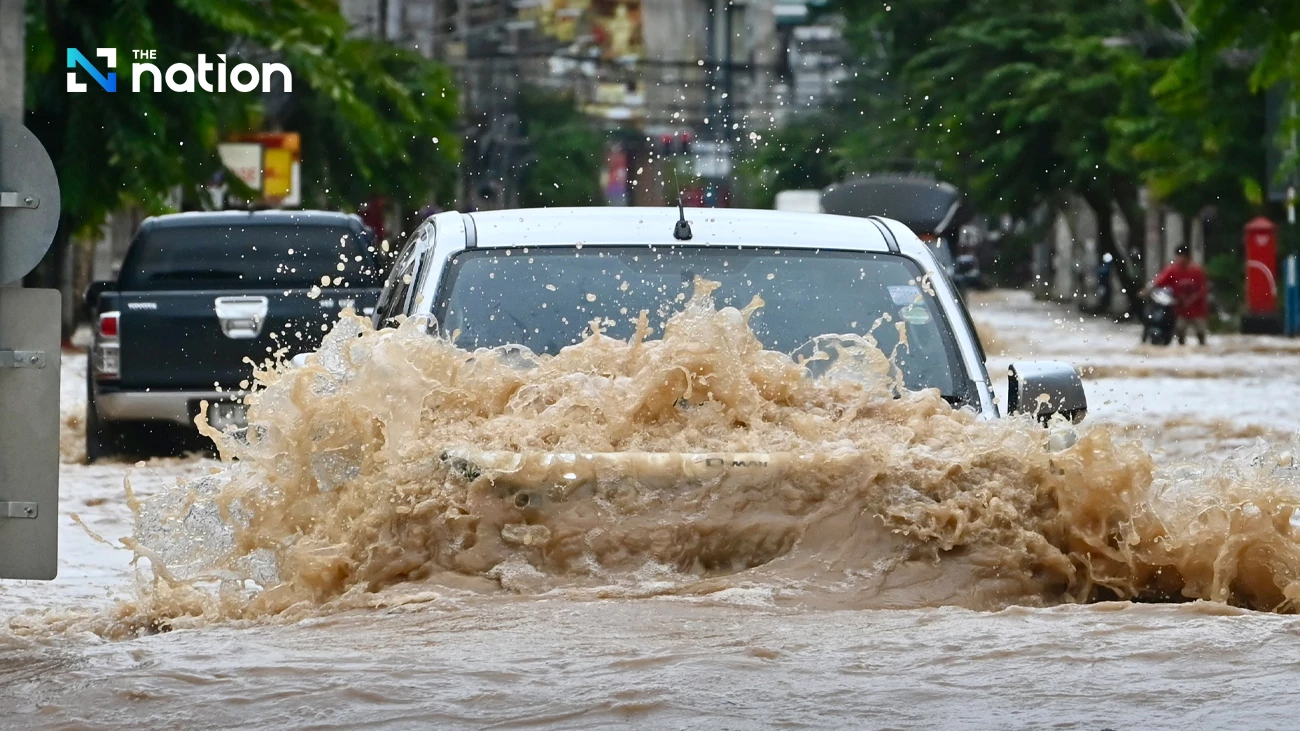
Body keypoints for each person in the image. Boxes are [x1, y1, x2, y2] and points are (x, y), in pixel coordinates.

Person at [1148, 245, 1210, 345]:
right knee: (1180, 330)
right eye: (1178, 256)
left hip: (1198, 310)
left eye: (1182, 257)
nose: (1179, 259)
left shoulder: (1197, 271)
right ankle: (1182, 351)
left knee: (1201, 332)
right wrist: (1147, 290)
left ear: (1188, 257)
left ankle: (1202, 348)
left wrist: (1191, 299)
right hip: (1181, 310)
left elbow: (1203, 289)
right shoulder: (1172, 270)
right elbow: (1159, 281)